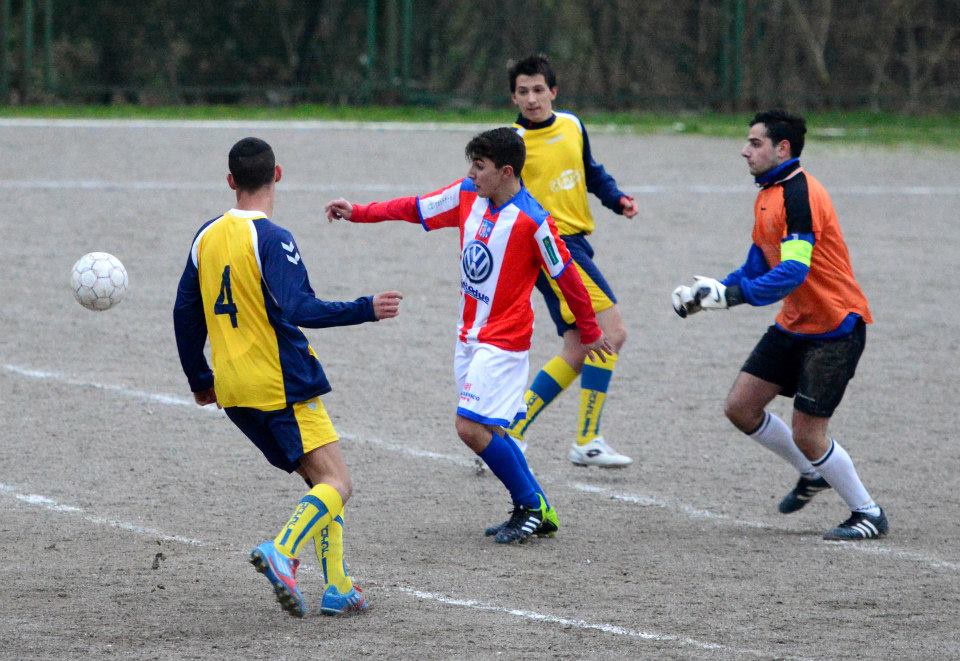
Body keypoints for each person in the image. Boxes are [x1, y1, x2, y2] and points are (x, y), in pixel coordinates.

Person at [324, 127, 613, 543]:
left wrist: (589, 330)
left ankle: (530, 505)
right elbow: (416, 208)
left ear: (507, 171)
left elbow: (567, 275)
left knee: (469, 427)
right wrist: (360, 211)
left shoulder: (534, 222)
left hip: (505, 341)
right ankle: (538, 507)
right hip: (468, 336)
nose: (471, 174)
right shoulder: (466, 195)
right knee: (490, 429)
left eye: (480, 167)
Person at [173, 137, 403, 617]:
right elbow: (300, 308)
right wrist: (366, 308)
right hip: (282, 383)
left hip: (234, 390)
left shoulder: (206, 235)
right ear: (277, 175)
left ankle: (338, 587)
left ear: (231, 181)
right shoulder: (273, 238)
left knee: (316, 482)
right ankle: (282, 550)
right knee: (338, 482)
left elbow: (185, 313)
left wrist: (201, 378)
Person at [672, 110, 888, 541]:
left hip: (834, 327)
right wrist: (713, 290)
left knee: (809, 432)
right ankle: (813, 473)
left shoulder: (799, 194)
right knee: (741, 407)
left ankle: (868, 512)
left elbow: (793, 272)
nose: (744, 150)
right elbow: (759, 262)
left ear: (782, 148)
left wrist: (732, 297)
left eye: (754, 143)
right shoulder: (769, 191)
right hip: (795, 323)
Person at [504, 54, 638, 468]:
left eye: (538, 90)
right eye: (523, 91)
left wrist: (616, 198)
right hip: (551, 249)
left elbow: (591, 171)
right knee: (611, 332)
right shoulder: (509, 142)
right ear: (513, 96)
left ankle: (511, 429)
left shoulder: (572, 125)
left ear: (553, 91)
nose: (531, 99)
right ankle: (588, 439)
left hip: (577, 243)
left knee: (579, 347)